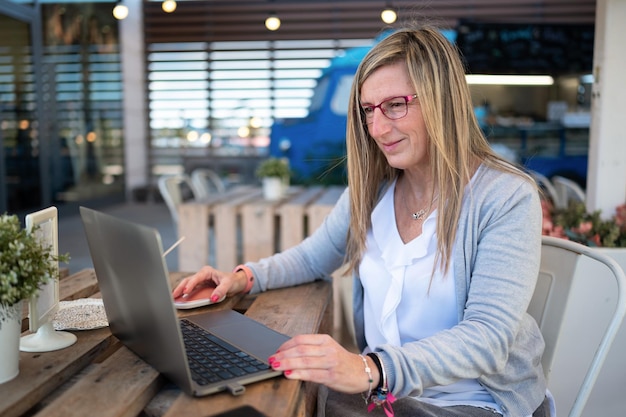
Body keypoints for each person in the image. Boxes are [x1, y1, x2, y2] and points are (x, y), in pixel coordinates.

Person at [173, 26, 549, 417]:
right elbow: (313, 259)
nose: (378, 129)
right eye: (369, 110)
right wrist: (242, 277)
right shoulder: (373, 190)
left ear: (444, 100)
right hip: (387, 397)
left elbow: (488, 338)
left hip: (476, 403)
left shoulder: (505, 196)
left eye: (396, 105)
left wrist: (372, 368)